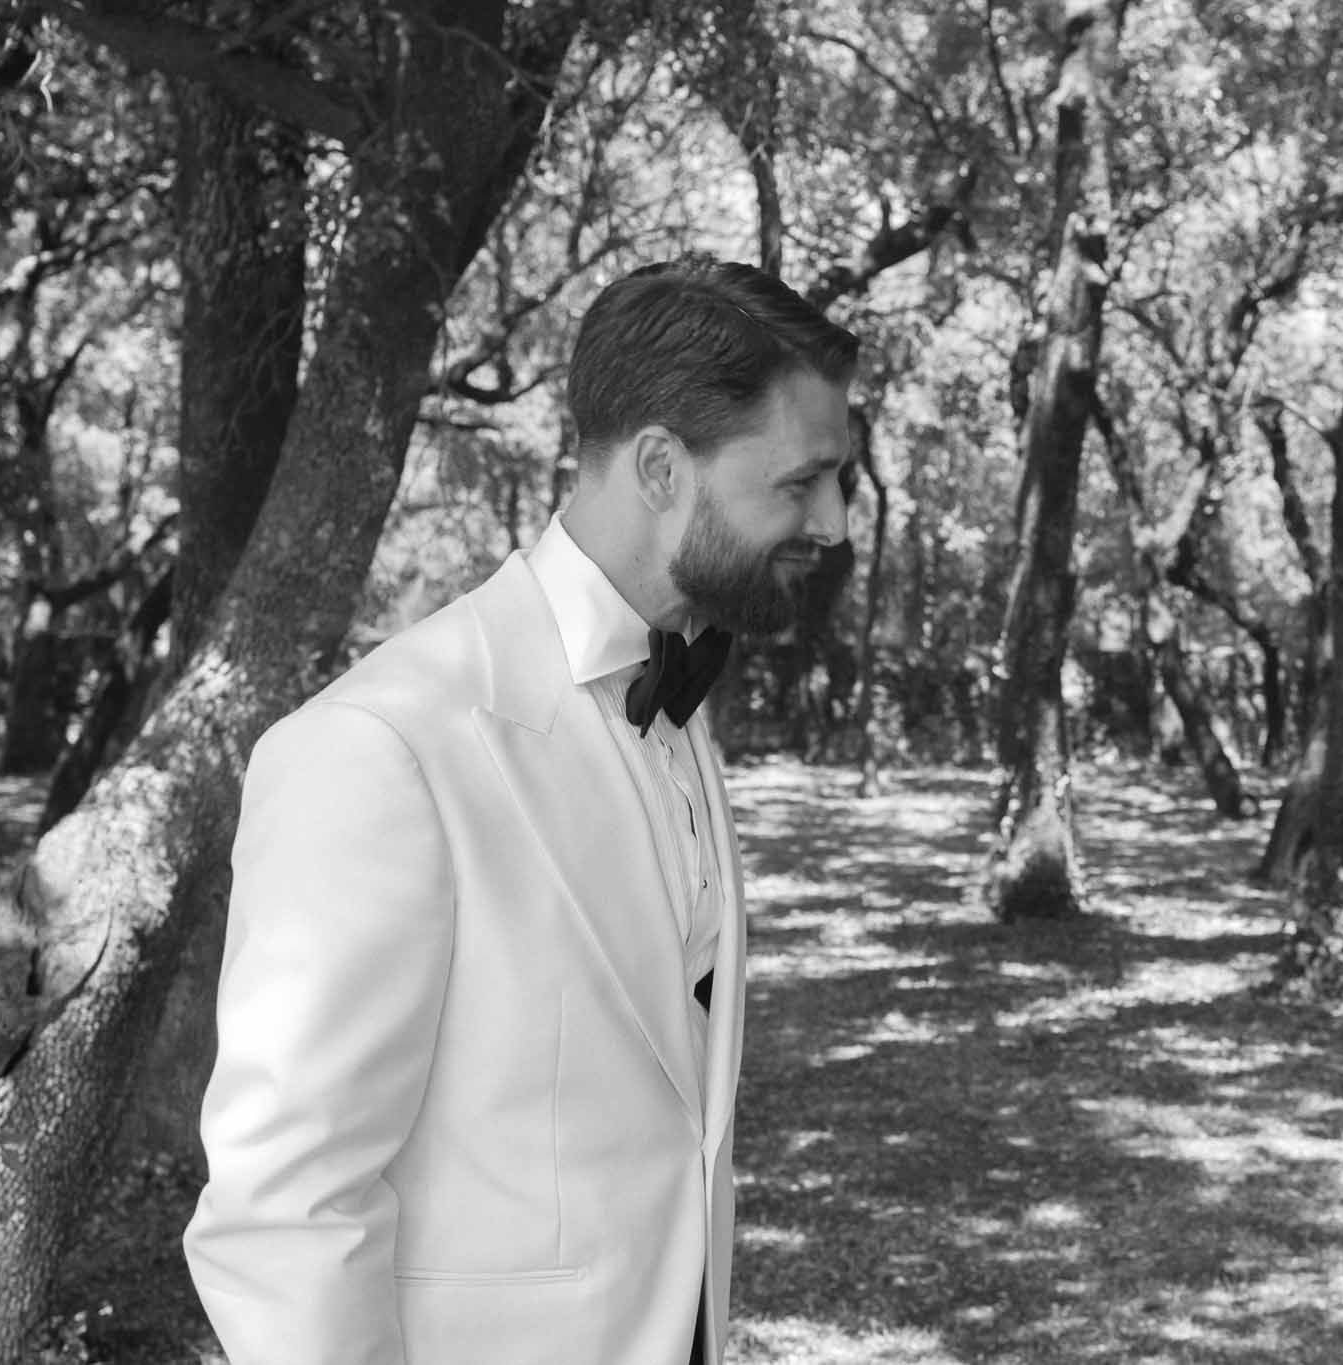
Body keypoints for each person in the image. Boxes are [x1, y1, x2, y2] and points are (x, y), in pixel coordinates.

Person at [184, 255, 857, 1365]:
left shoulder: (675, 700)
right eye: (801, 481)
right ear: (658, 468)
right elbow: (285, 1206)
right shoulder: (381, 747)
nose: (832, 523)